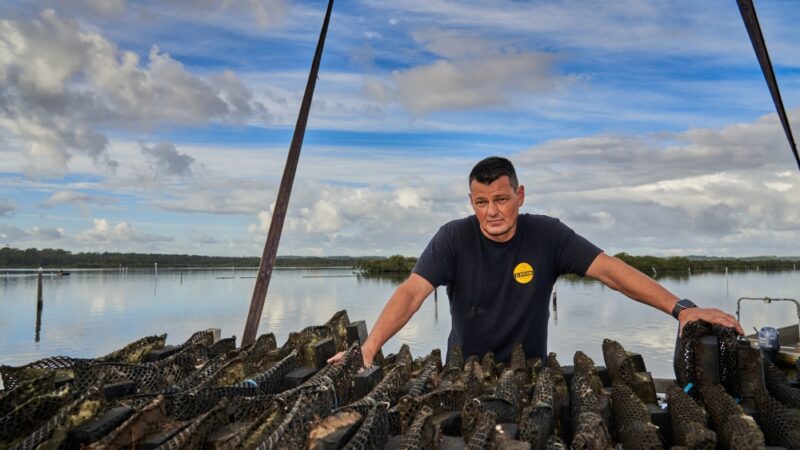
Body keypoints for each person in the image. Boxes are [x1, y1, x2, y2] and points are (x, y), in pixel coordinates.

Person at [332, 156, 744, 366]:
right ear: (471, 202)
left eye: (501, 199)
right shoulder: (452, 237)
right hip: (463, 371)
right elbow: (411, 293)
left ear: (520, 195)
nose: (492, 211)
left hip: (530, 372)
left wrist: (681, 309)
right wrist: (370, 346)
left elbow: (611, 272)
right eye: (481, 202)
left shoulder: (547, 234)